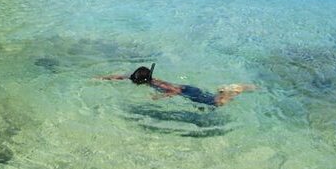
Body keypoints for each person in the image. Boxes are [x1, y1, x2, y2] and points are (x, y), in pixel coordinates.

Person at [97, 64, 255, 107]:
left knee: (217, 103)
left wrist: (160, 96)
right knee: (211, 101)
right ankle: (224, 90)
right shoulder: (147, 79)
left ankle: (236, 89)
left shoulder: (157, 84)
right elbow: (123, 77)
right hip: (186, 88)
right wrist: (104, 78)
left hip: (186, 91)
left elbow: (176, 90)